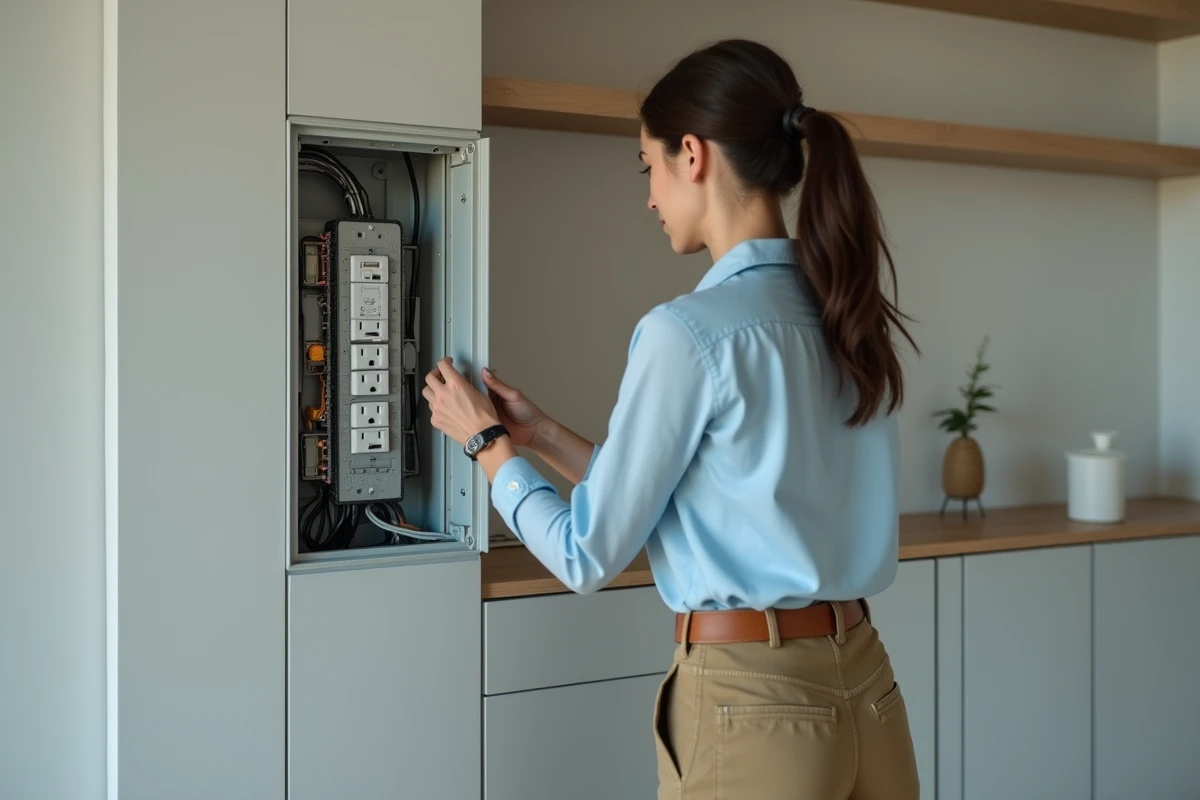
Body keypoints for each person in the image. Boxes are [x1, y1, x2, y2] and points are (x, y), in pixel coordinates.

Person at [423, 37, 920, 800]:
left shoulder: (689, 332)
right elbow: (703, 503)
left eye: (648, 167)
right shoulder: (847, 317)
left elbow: (588, 555)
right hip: (870, 692)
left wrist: (484, 443)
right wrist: (543, 436)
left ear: (694, 154)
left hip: (755, 707)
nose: (650, 196)